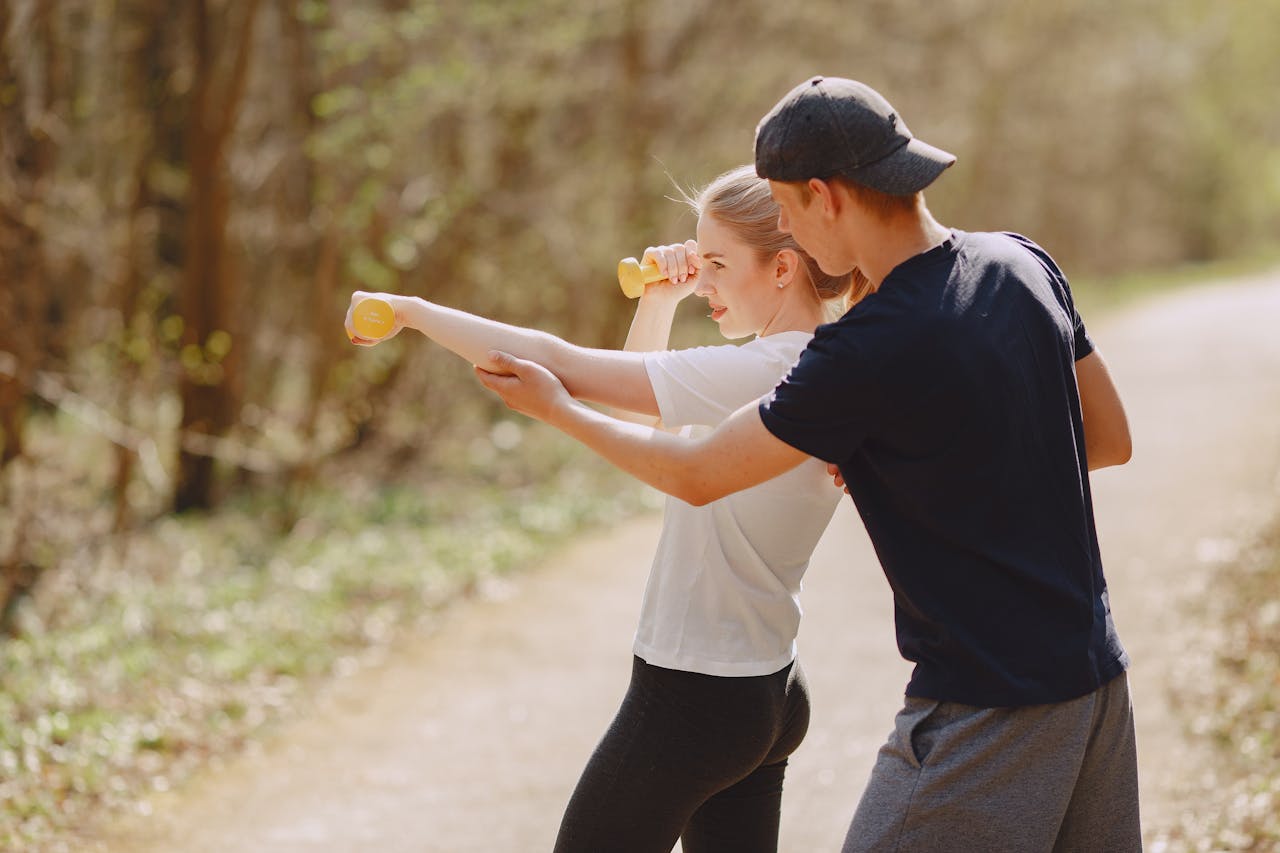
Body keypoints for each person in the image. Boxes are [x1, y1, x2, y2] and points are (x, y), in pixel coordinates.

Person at [474, 76, 1140, 852]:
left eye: (785, 209)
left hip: (984, 712)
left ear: (826, 197)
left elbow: (697, 473)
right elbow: (1107, 436)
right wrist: (924, 458)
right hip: (1096, 684)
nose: (786, 230)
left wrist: (557, 407)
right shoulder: (1023, 263)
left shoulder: (864, 351)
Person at [346, 165, 865, 852]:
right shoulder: (818, 364)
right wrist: (659, 300)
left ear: (782, 269)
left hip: (696, 695)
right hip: (764, 689)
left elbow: (561, 363)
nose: (704, 281)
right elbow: (634, 405)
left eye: (717, 263)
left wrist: (409, 310)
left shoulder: (765, 370)